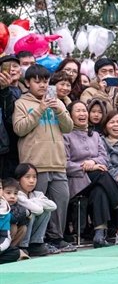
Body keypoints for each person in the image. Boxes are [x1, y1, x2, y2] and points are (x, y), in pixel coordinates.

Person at [13, 64, 75, 253]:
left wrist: (59, 110)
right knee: (36, 206)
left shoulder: (58, 102)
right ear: (27, 83)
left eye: (45, 81)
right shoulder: (21, 103)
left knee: (60, 202)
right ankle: (36, 242)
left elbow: (69, 127)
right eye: (37, 81)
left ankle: (57, 239)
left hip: (58, 162)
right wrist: (40, 109)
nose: (42, 85)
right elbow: (19, 129)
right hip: (34, 165)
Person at [64, 101, 118, 247]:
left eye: (84, 110)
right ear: (69, 115)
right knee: (102, 174)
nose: (82, 114)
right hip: (77, 180)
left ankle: (99, 235)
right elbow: (65, 163)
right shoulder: (66, 135)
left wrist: (93, 162)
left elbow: (104, 158)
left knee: (100, 190)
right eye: (78, 111)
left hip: (96, 180)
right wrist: (86, 167)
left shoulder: (95, 135)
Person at [15, 163, 56, 256]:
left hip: (35, 203)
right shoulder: (17, 195)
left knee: (47, 212)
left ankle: (35, 243)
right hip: (18, 232)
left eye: (34, 177)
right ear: (18, 180)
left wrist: (33, 200)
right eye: (27, 177)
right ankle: (23, 245)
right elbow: (38, 210)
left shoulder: (37, 194)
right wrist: (39, 203)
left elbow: (53, 206)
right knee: (31, 213)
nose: (32, 181)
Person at [0, 56, 21, 177]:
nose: (12, 69)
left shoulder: (28, 91)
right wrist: (4, 90)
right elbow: (8, 116)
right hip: (5, 145)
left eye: (15, 66)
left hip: (22, 145)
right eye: (7, 67)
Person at [3, 178, 28, 251]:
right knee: (13, 227)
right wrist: (26, 213)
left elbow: (23, 221)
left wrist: (27, 213)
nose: (12, 196)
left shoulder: (16, 205)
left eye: (15, 193)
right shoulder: (2, 205)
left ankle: (11, 249)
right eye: (8, 193)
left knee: (23, 228)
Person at [0, 179, 22, 264]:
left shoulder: (5, 212)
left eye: (0, 188)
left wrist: (0, 247)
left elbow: (5, 236)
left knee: (15, 252)